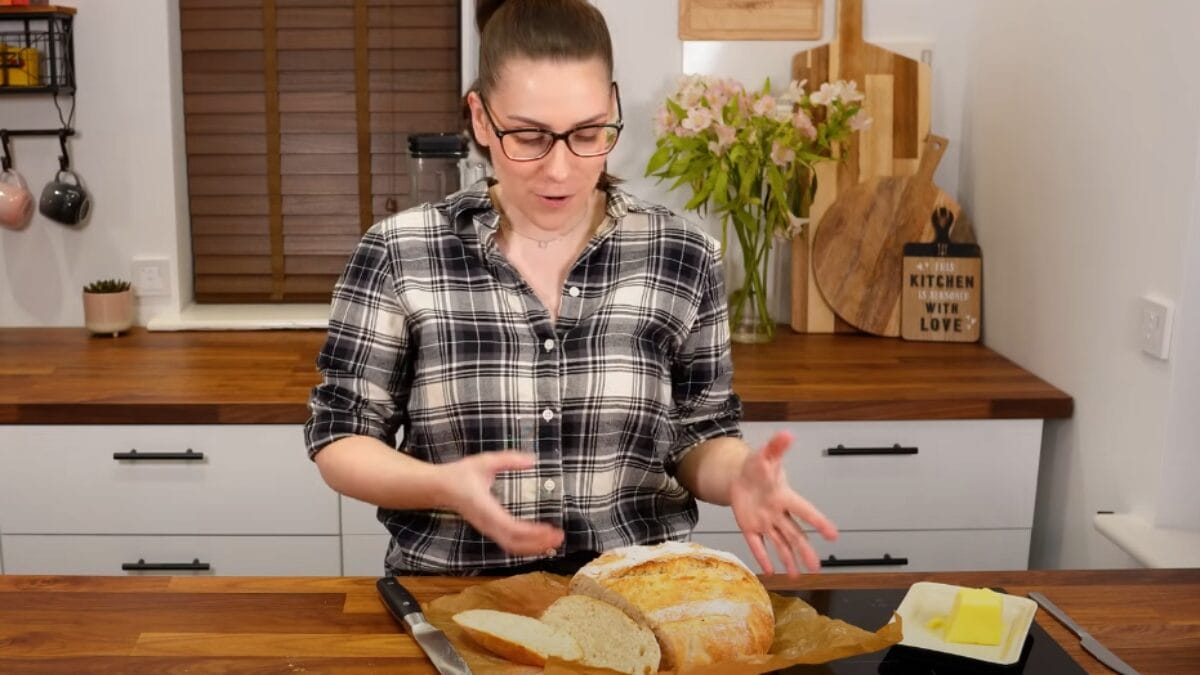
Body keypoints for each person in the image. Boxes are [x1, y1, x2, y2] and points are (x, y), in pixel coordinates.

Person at [304, 0, 838, 577]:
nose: (559, 169)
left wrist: (738, 475)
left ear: (612, 106)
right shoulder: (399, 251)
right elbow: (342, 437)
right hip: (452, 598)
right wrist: (442, 485)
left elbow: (698, 436)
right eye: (529, 137)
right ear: (480, 119)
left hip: (641, 598)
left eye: (588, 132)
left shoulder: (682, 254)